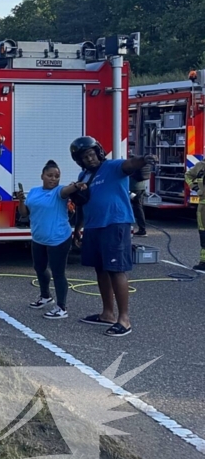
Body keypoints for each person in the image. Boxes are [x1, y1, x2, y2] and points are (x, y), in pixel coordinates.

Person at [69, 136, 154, 337]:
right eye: (84, 157)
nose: (89, 159)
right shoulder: (83, 176)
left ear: (98, 152)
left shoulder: (113, 166)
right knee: (100, 269)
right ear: (79, 161)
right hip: (93, 226)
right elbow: (81, 205)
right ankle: (107, 313)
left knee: (116, 270)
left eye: (91, 154)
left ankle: (124, 319)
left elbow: (130, 164)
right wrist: (78, 228)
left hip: (115, 224)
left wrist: (144, 159)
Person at [16, 160, 86, 319]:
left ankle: (61, 307)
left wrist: (77, 185)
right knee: (39, 268)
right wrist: (21, 201)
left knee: (58, 272)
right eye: (50, 175)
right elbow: (25, 213)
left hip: (59, 239)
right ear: (42, 176)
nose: (53, 179)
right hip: (38, 238)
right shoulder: (34, 191)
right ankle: (45, 296)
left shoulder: (59, 192)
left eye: (57, 176)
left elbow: (68, 190)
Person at [185, 158, 205, 270]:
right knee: (203, 233)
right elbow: (188, 176)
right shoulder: (200, 166)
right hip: (203, 206)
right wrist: (196, 188)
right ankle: (204, 262)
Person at [130, 164, 148, 237]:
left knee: (137, 208)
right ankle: (142, 229)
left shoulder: (131, 165)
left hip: (134, 188)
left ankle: (142, 230)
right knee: (138, 208)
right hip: (141, 188)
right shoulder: (138, 164)